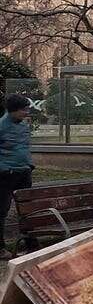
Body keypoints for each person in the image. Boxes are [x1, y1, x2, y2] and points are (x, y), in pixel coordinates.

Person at [0, 94, 34, 258]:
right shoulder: (1, 126)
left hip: (24, 172)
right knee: (2, 210)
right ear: (12, 110)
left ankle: (30, 244)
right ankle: (1, 247)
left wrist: (29, 164)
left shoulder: (23, 125)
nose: (27, 113)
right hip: (6, 174)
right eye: (23, 110)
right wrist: (5, 168)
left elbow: (23, 146)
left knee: (27, 210)